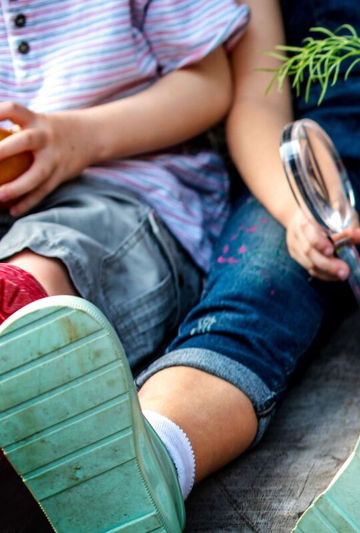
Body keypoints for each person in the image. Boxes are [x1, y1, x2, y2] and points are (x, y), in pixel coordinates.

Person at [0, 0, 360, 530]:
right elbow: (256, 102)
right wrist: (291, 208)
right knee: (245, 301)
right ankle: (153, 459)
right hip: (309, 166)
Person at [0, 0, 245, 529]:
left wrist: (80, 137)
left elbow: (207, 83)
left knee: (48, 261)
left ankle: (19, 329)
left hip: (129, 190)